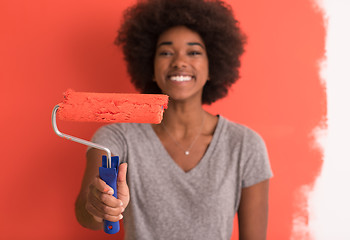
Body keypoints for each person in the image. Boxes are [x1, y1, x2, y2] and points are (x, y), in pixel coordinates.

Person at [75, 0, 273, 239]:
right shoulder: (117, 138)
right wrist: (99, 205)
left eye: (194, 52)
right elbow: (88, 217)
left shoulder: (245, 145)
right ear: (150, 65)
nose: (179, 61)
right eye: (166, 52)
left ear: (213, 66)